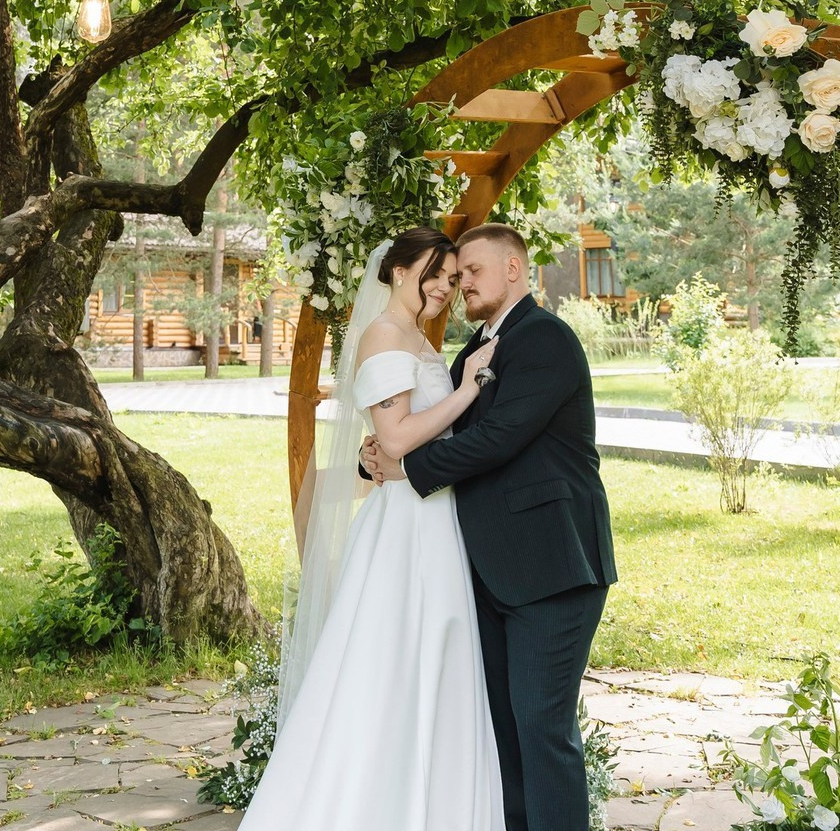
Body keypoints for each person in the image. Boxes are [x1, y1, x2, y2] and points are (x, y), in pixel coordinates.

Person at [238, 227, 504, 831]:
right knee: (394, 660)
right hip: (407, 526)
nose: (444, 286)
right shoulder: (385, 335)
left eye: (451, 275)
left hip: (434, 515)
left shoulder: (416, 338)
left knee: (436, 654)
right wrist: (467, 391)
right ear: (398, 272)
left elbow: (400, 438)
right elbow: (398, 438)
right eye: (433, 273)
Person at [364, 222, 617, 831]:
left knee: (543, 729)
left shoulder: (544, 339)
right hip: (488, 569)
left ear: (513, 269)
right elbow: (440, 429)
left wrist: (405, 467)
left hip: (553, 567)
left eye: (471, 271)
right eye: (454, 275)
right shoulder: (471, 353)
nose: (460, 285)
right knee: (500, 729)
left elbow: (497, 439)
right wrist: (377, 457)